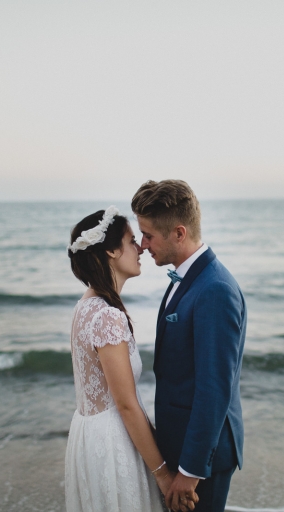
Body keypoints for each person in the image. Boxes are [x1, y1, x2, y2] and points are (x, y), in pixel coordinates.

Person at [65, 206, 197, 512]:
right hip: (113, 444)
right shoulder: (108, 316)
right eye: (130, 241)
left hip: (87, 436)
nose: (140, 247)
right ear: (111, 251)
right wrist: (163, 476)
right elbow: (125, 403)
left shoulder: (84, 307)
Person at [131, 180, 246, 512]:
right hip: (181, 445)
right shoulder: (190, 277)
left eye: (149, 235)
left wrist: (190, 471)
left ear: (179, 233)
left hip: (199, 459)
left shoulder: (214, 290)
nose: (142, 244)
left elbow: (214, 387)